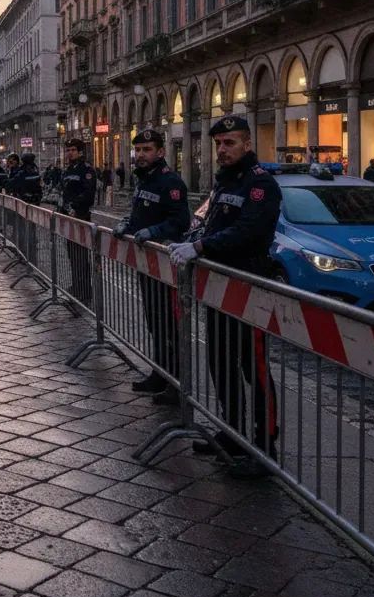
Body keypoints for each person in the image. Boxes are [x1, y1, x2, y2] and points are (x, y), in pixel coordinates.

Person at [169, 115, 281, 479]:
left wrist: (201, 246)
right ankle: (231, 432)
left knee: (254, 367)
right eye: (218, 144)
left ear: (247, 144)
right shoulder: (225, 182)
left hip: (249, 285)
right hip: (220, 286)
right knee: (221, 361)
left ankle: (265, 447)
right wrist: (194, 239)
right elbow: (213, 223)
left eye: (229, 142)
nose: (222, 149)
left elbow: (249, 230)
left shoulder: (260, 183)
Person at [113, 129, 190, 405]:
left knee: (168, 326)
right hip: (148, 266)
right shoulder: (144, 180)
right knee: (154, 322)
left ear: (160, 152)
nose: (141, 155)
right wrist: (127, 225)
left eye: (147, 150)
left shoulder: (170, 182)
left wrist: (153, 231)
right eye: (138, 150)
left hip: (166, 267)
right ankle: (159, 374)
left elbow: (180, 222)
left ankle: (176, 384)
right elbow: (140, 215)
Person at [59, 139, 96, 304]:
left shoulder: (86, 170)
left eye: (73, 150)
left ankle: (84, 292)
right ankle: (76, 287)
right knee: (72, 255)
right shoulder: (67, 170)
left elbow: (88, 194)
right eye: (68, 150)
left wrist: (74, 206)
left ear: (80, 152)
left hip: (80, 217)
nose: (70, 153)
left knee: (81, 256)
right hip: (68, 217)